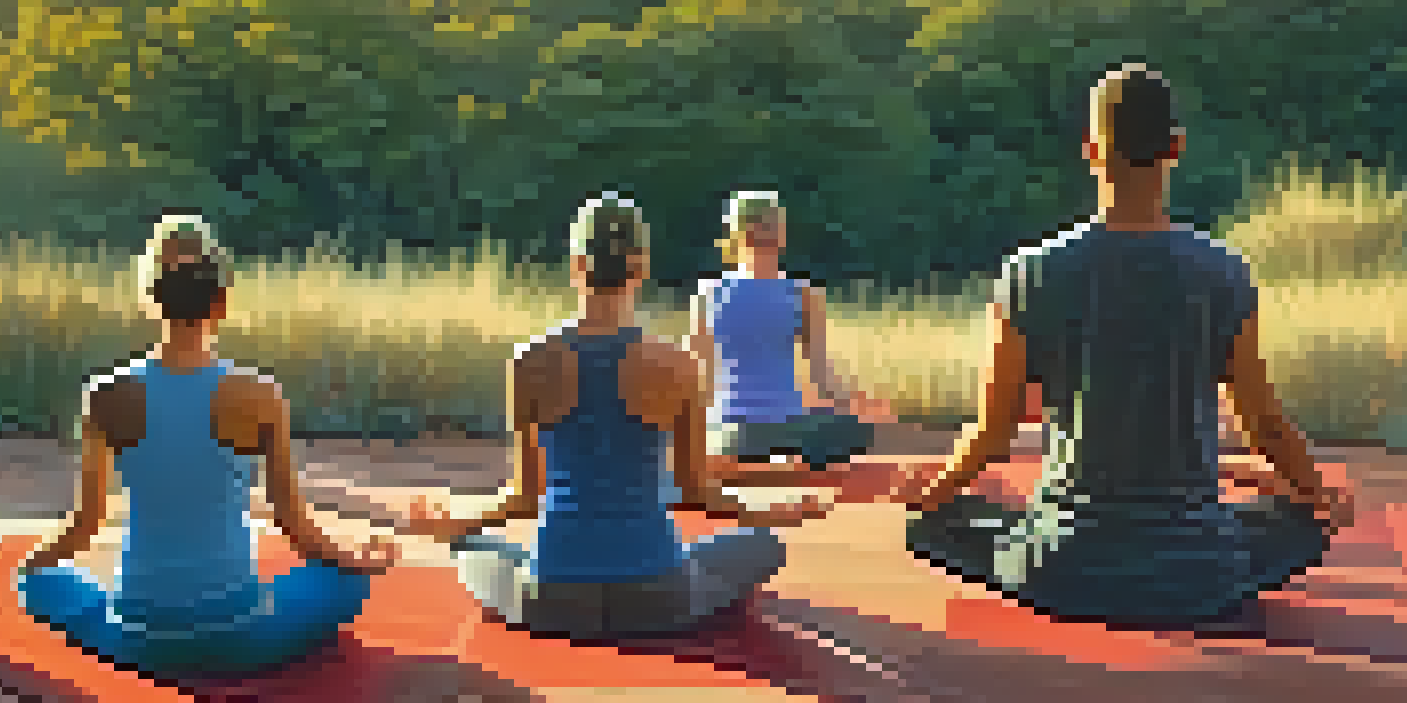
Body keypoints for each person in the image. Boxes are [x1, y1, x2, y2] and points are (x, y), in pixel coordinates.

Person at [893, 63, 1353, 633]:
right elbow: (1264, 426)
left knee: (930, 526)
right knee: (1303, 522)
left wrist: (933, 493)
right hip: (1198, 573)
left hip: (1061, 568)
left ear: (1091, 149)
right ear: (1176, 148)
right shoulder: (1225, 273)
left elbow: (995, 429)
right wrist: (1322, 498)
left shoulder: (1027, 273)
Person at [399, 192, 831, 639]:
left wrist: (453, 521)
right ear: (641, 268)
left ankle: (478, 547)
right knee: (763, 545)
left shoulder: (527, 363)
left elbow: (525, 498)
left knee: (473, 547)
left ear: (576, 266)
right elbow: (699, 493)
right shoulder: (679, 366)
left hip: (552, 597)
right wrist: (771, 510)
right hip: (658, 597)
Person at [14, 215, 401, 674]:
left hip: (136, 638)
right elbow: (293, 525)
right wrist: (356, 558)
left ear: (150, 299)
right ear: (221, 303)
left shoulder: (104, 395)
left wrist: (29, 567)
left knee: (40, 583)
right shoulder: (261, 394)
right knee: (346, 583)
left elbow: (86, 524)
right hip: (239, 637)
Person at [688, 190, 876, 485]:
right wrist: (856, 409)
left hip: (729, 430)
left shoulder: (708, 293)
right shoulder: (804, 293)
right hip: (789, 429)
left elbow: (697, 375)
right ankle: (785, 462)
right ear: (781, 233)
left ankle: (741, 460)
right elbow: (821, 376)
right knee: (850, 430)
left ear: (735, 236)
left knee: (717, 436)